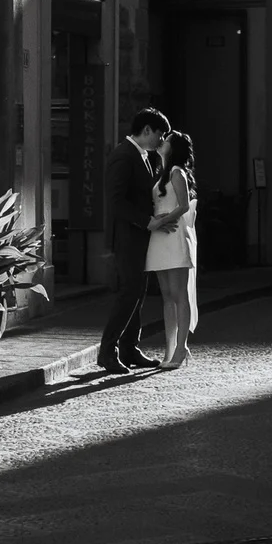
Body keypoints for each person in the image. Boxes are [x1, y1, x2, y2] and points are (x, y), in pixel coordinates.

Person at [98, 107, 181, 374]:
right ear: (146, 130)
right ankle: (107, 351)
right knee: (129, 292)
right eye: (160, 134)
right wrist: (148, 221)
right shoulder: (123, 155)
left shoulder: (142, 156)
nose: (161, 140)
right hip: (127, 237)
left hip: (139, 237)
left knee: (138, 292)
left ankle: (129, 348)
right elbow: (116, 202)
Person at [145, 130, 198, 369]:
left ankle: (181, 347)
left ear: (173, 147)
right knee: (166, 295)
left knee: (179, 294)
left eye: (165, 140)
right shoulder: (162, 173)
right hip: (159, 237)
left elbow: (184, 205)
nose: (161, 142)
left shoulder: (177, 172)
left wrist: (162, 221)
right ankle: (169, 347)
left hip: (174, 235)